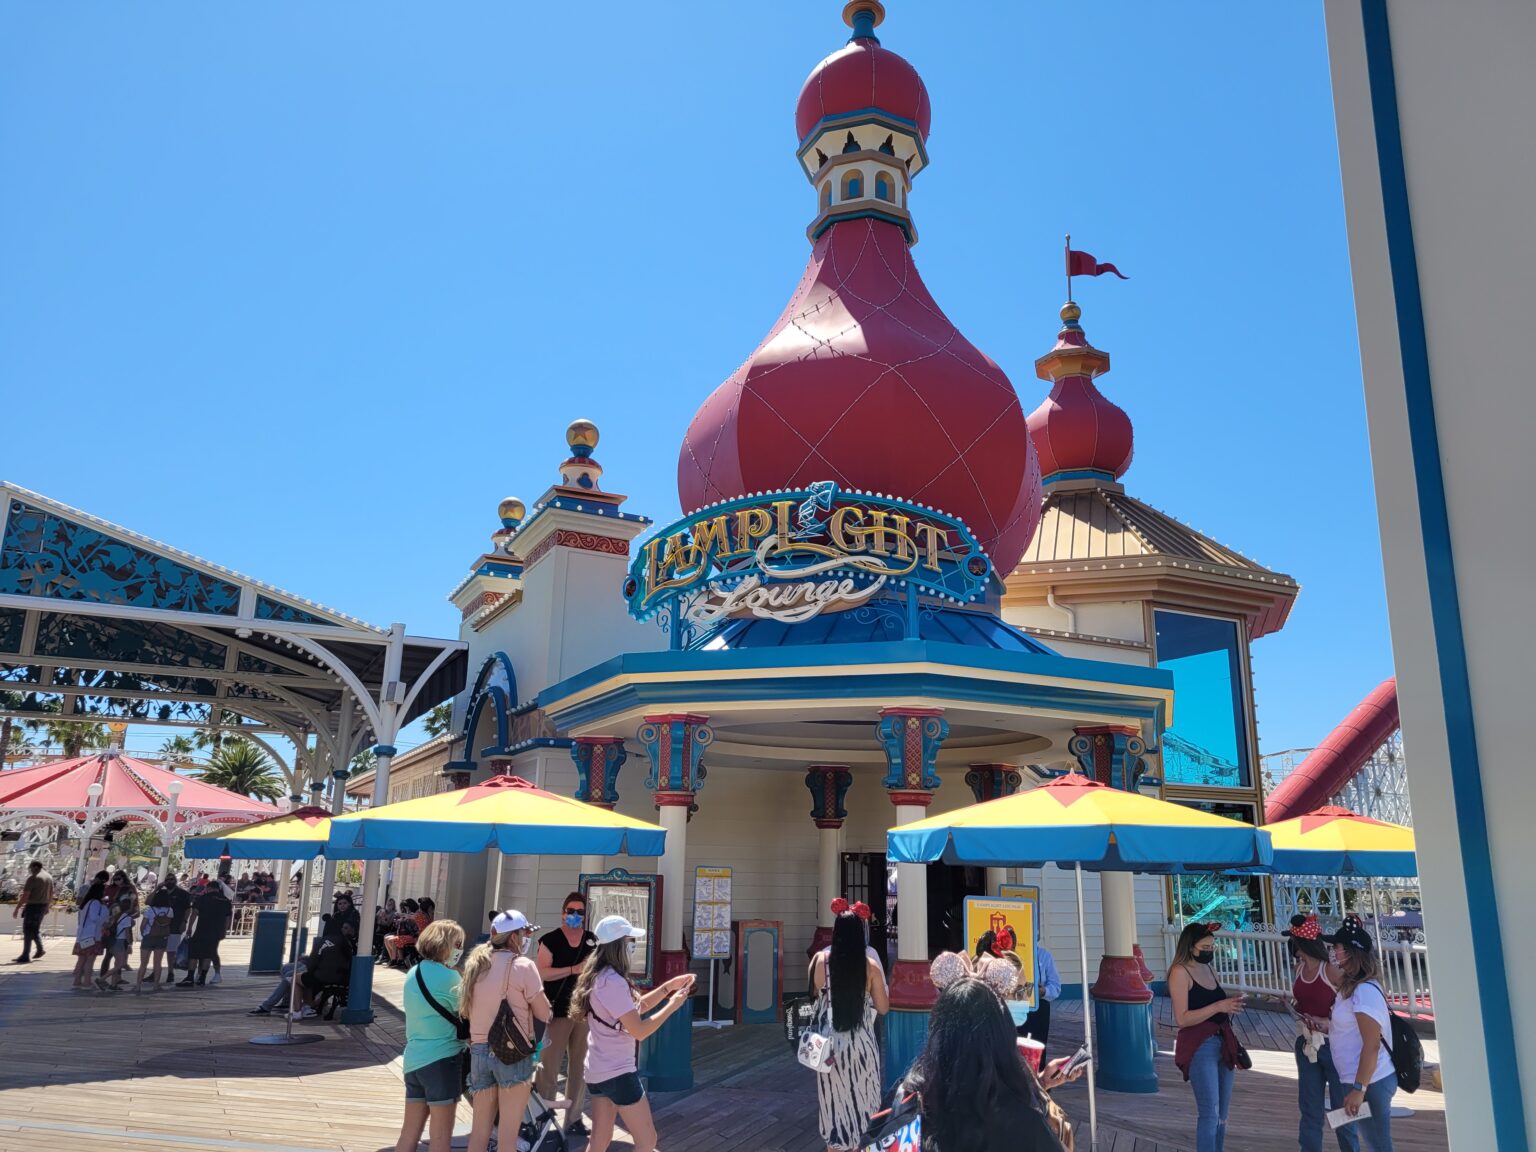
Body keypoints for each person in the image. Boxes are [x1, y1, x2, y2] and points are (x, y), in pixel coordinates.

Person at [902, 970, 1078, 1151]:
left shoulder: (907, 1101)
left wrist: (1040, 1082)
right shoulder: (1022, 1124)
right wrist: (1037, 1088)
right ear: (1003, 1038)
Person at [570, 914, 695, 1152]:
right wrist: (673, 1005)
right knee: (647, 1140)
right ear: (619, 945)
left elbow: (634, 1009)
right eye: (630, 941)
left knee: (599, 1139)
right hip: (618, 1072)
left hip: (598, 1070)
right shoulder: (613, 981)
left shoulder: (600, 976)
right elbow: (639, 1030)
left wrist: (668, 988)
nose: (634, 946)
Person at [461, 910, 555, 1152]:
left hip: (479, 1052)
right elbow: (544, 1013)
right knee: (508, 1137)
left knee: (480, 1132)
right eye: (524, 932)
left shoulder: (476, 964)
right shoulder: (523, 965)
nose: (526, 937)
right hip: (512, 1054)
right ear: (514, 936)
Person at [810, 906, 890, 1152]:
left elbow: (813, 997)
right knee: (864, 1104)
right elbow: (883, 1007)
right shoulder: (870, 966)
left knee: (833, 1104)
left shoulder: (819, 961)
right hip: (861, 1044)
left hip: (828, 1046)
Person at [1321, 914, 1397, 1150]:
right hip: (1358, 1079)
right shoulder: (1352, 988)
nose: (1333, 951)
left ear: (1351, 952)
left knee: (1377, 1144)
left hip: (1370, 1081)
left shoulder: (1364, 992)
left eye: (1337, 947)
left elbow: (1371, 1044)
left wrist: (1359, 1089)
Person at [1169, 922, 1247, 1152]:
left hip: (1223, 1041)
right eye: (1205, 946)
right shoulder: (1179, 972)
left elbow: (1214, 1002)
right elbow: (1182, 1019)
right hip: (1199, 1045)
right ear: (1190, 947)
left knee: (1222, 1114)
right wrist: (1218, 1006)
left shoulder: (1209, 969)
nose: (1210, 951)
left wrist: (1230, 1003)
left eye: (1212, 946)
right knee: (1209, 1113)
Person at [1286, 915, 1359, 1152]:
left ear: (1300, 944)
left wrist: (1329, 1021)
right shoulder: (1299, 970)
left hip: (1334, 1045)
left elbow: (1354, 1006)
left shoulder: (1330, 971)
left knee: (1342, 1110)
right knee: (1309, 1107)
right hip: (1308, 1043)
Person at [395, 919, 468, 1152]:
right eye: (457, 944)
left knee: (409, 1134)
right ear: (445, 945)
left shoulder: (413, 972)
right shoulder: (450, 978)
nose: (460, 949)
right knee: (441, 1138)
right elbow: (468, 1012)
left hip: (414, 1059)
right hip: (442, 1060)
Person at [536, 889, 598, 1137]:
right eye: (570, 911)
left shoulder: (592, 940)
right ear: (563, 913)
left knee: (579, 1068)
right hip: (557, 1011)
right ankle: (543, 1117)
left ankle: (574, 1119)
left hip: (583, 1012)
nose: (574, 915)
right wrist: (573, 969)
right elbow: (542, 972)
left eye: (579, 912)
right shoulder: (550, 940)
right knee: (548, 1068)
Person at [180, 873, 231, 987]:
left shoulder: (203, 898)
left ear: (209, 888)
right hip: (216, 932)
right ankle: (202, 978)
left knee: (194, 954)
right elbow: (228, 918)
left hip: (202, 930)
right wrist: (224, 931)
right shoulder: (226, 901)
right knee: (208, 954)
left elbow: (194, 913)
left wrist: (189, 928)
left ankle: (190, 977)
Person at [133, 883, 177, 994]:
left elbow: (143, 925)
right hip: (162, 937)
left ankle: (138, 986)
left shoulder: (150, 910)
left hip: (149, 936)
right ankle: (156, 985)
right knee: (158, 963)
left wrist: (144, 934)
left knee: (143, 963)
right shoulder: (170, 910)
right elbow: (169, 923)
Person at [1016, 942, 1061, 1048]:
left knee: (1038, 1048)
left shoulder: (1044, 955)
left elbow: (1056, 986)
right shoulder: (1009, 954)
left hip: (1039, 1007)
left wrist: (1044, 991)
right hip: (1015, 1007)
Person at [71, 879, 110, 990]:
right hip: (92, 936)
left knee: (82, 958)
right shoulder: (96, 903)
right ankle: (87, 981)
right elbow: (94, 918)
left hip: (83, 935)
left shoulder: (86, 902)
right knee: (90, 959)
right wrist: (104, 918)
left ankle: (77, 980)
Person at [11, 860, 53, 963]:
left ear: (35, 867)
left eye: (31, 868)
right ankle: (40, 949)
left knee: (28, 931)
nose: (30, 870)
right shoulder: (49, 877)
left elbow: (26, 896)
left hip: (33, 907)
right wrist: (47, 906)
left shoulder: (33, 878)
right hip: (42, 906)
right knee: (35, 929)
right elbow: (51, 893)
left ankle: (26, 955)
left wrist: (17, 908)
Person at [95, 892, 136, 991]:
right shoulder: (127, 918)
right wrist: (130, 944)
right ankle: (101, 979)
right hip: (120, 942)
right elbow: (127, 933)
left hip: (112, 941)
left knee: (117, 963)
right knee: (120, 964)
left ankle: (113, 984)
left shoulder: (115, 916)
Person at [160, 872, 193, 981]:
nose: (169, 881)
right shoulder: (161, 893)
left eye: (171, 879)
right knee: (158, 949)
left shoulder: (182, 894)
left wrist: (184, 922)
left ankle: (170, 972)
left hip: (175, 925)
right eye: (167, 879)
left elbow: (188, 909)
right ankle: (156, 971)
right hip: (160, 926)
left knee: (171, 951)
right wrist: (157, 888)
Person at [386, 898, 428, 968]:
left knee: (396, 939)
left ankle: (398, 960)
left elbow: (411, 918)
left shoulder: (418, 914)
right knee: (393, 938)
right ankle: (396, 959)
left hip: (417, 937)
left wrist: (403, 915)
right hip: (415, 935)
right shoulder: (421, 914)